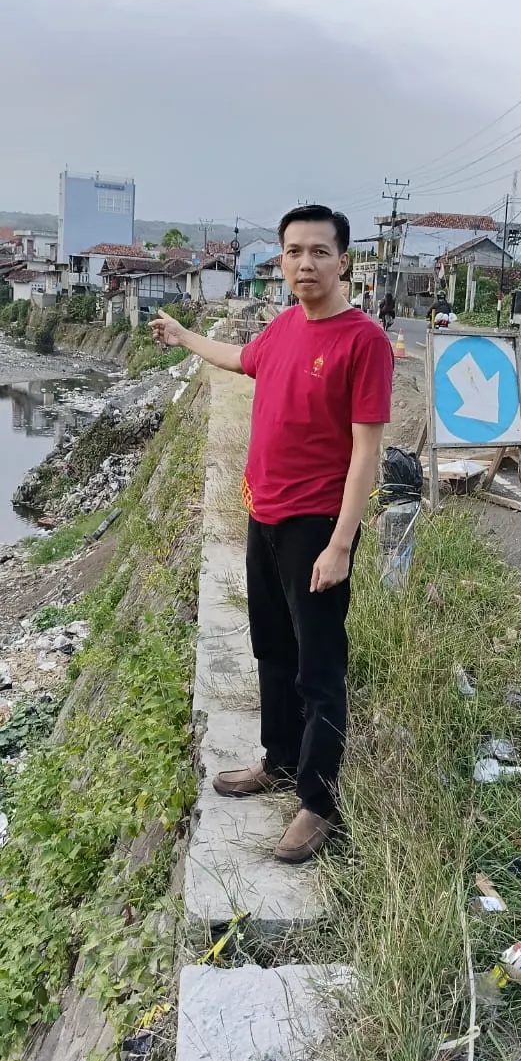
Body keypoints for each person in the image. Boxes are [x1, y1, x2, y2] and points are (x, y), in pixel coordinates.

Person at [150, 204, 394, 864]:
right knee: (272, 650)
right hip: (263, 514)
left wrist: (342, 541)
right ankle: (279, 761)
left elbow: (367, 451)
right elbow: (238, 357)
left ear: (344, 261)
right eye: (293, 252)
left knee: (319, 667)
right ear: (280, 261)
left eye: (318, 251)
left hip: (317, 524)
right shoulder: (284, 325)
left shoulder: (361, 340)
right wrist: (180, 335)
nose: (305, 263)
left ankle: (317, 802)